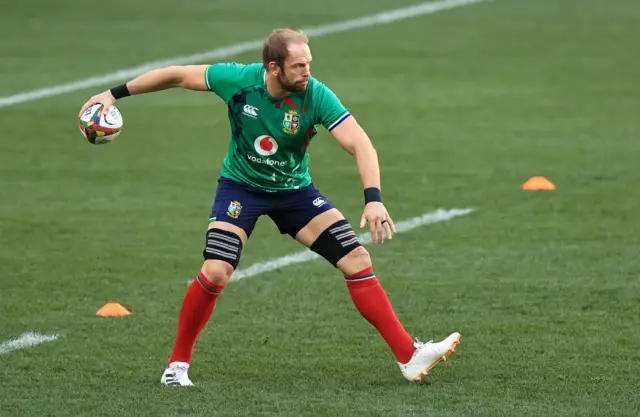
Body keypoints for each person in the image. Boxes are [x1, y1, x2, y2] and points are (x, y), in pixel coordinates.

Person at [79, 28, 460, 387]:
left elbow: (360, 143)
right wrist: (114, 94)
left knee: (357, 259)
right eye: (299, 66)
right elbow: (178, 75)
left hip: (294, 191)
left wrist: (373, 199)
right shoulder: (239, 80)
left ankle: (409, 356)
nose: (307, 71)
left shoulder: (316, 95)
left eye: (309, 63)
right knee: (216, 270)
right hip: (241, 189)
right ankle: (176, 366)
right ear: (273, 68)